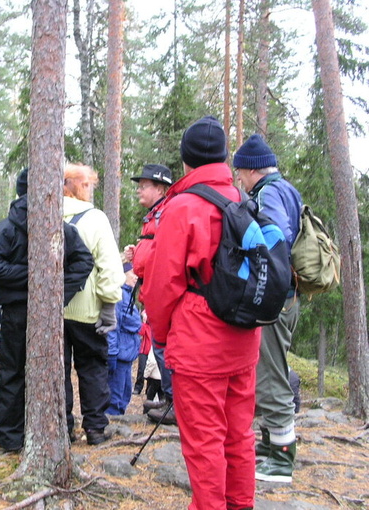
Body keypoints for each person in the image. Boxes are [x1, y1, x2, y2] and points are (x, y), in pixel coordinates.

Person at [142, 116, 260, 509]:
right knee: (238, 436)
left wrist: (161, 336)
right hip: (244, 337)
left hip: (199, 344)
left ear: (186, 160)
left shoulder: (183, 207)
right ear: (224, 157)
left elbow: (162, 285)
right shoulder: (242, 199)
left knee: (205, 441)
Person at [0, 167, 94, 452]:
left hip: (33, 313)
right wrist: (39, 278)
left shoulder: (52, 227)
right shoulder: (20, 227)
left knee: (23, 372)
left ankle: (15, 438)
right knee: (50, 371)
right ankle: (49, 433)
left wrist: (57, 291)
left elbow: (83, 261)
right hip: (27, 313)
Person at [234, 133, 303, 483]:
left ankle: (282, 458)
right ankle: (269, 441)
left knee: (271, 375)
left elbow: (277, 237)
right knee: (273, 368)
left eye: (240, 173)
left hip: (275, 298)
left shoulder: (268, 193)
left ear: (251, 170)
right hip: (289, 296)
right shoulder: (288, 189)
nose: (239, 180)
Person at [63, 162, 125, 445]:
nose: (90, 189)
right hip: (87, 311)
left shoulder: (43, 211)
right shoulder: (96, 218)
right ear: (77, 186)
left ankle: (62, 427)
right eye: (87, 184)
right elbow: (109, 266)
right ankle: (96, 429)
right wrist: (109, 305)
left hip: (51, 310)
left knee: (57, 371)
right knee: (92, 368)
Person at [123, 163, 176, 425]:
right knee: (160, 347)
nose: (139, 190)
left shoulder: (167, 212)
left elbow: (168, 252)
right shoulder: (154, 214)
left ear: (160, 188)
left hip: (163, 293)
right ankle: (168, 399)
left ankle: (174, 402)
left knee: (166, 349)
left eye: (144, 186)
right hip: (153, 292)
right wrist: (138, 254)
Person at [105, 263, 142, 415]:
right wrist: (112, 354)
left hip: (128, 355)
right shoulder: (118, 296)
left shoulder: (129, 295)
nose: (136, 277)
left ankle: (118, 419)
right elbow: (112, 326)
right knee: (115, 398)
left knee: (125, 395)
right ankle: (111, 421)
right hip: (119, 355)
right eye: (132, 273)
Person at [133, 313, 152, 395]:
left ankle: (149, 390)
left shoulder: (156, 328)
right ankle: (138, 388)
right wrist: (144, 322)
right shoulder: (145, 326)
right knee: (141, 370)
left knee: (151, 372)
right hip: (144, 351)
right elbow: (140, 332)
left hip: (152, 352)